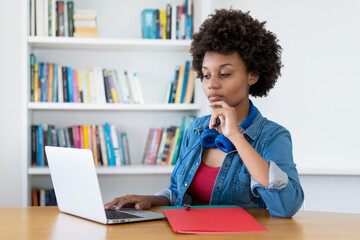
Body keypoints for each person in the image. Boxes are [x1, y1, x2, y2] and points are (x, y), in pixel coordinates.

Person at [104, 9, 304, 218]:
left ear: (252, 75)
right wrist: (150, 200)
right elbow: (178, 193)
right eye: (206, 75)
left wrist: (236, 136)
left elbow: (286, 206)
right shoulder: (196, 129)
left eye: (225, 74)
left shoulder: (273, 137)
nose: (212, 85)